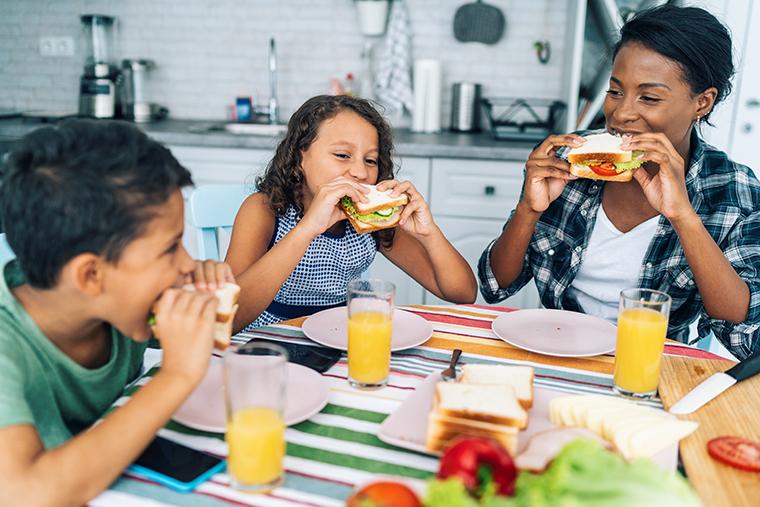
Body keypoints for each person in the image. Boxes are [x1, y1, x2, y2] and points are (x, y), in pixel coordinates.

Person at [478, 5, 760, 360]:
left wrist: (683, 216)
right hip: (556, 352)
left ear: (702, 103)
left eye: (650, 98)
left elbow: (745, 328)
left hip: (655, 365)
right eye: (615, 91)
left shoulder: (733, 189)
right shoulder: (570, 160)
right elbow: (496, 285)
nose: (622, 113)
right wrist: (528, 210)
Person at [0, 119, 234, 505]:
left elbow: (216, 333)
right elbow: (27, 494)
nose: (188, 263)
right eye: (171, 248)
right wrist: (174, 376)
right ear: (91, 275)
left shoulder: (121, 303)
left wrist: (213, 299)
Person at [226, 95, 477, 331]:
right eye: (342, 155)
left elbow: (463, 293)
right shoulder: (264, 210)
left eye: (370, 160)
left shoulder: (370, 220)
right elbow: (228, 315)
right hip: (270, 339)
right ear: (299, 157)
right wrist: (309, 227)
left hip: (341, 337)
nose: (359, 172)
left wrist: (429, 233)